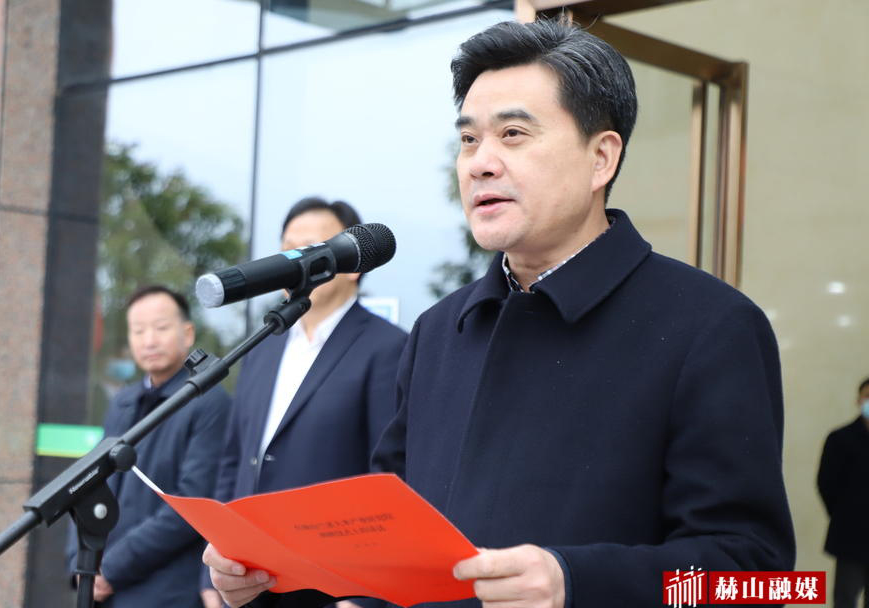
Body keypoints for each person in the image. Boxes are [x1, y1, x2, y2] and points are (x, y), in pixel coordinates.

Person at [204, 18, 795, 608]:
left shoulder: (709, 326)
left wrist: (574, 582)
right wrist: (279, 580)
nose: (479, 163)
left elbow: (759, 576)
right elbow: (388, 541)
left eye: (513, 134)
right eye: (468, 140)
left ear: (601, 158)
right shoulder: (439, 331)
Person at [200, 197, 407, 608]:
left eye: (310, 248)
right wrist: (209, 575)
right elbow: (234, 461)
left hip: (335, 587)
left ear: (354, 264)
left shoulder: (388, 348)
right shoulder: (261, 347)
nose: (293, 261)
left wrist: (369, 597)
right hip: (247, 583)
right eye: (287, 249)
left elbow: (391, 477)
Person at [67, 285, 229, 608]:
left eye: (161, 327)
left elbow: (192, 502)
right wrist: (81, 562)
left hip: (167, 590)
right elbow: (90, 484)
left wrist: (111, 568)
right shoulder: (123, 402)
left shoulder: (209, 402)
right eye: (138, 331)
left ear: (187, 333)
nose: (149, 340)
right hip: (102, 588)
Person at [817, 377, 869, 608]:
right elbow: (826, 484)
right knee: (845, 599)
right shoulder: (840, 439)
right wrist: (844, 516)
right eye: (868, 396)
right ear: (859, 400)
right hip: (850, 537)